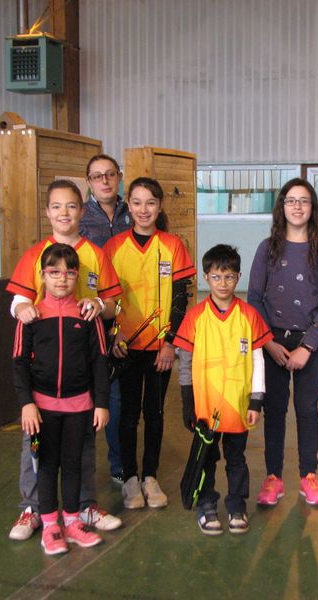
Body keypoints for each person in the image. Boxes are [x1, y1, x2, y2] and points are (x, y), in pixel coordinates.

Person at [6, 180, 123, 541]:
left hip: (80, 373)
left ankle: (83, 505)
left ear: (81, 210)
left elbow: (113, 304)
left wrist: (99, 305)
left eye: (71, 206)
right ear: (47, 212)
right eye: (56, 206)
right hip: (44, 379)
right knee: (36, 447)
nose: (64, 213)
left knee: (81, 447)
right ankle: (33, 508)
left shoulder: (96, 254)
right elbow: (18, 302)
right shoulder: (34, 254)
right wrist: (22, 308)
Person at [12, 243, 111, 555]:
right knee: (46, 466)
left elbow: (100, 361)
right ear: (42, 276)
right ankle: (49, 526)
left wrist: (101, 403)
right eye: (54, 272)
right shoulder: (31, 317)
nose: (62, 279)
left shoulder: (88, 316)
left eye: (69, 273)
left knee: (72, 464)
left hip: (79, 407)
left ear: (77, 276)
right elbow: (19, 363)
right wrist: (27, 403)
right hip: (42, 410)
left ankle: (72, 521)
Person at [105, 177, 195, 509]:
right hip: (126, 348)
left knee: (154, 413)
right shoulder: (114, 247)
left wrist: (170, 343)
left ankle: (150, 477)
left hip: (160, 350)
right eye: (137, 202)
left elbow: (180, 298)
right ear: (128, 205)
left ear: (159, 206)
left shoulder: (173, 245)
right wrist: (115, 333)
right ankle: (130, 478)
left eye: (151, 203)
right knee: (127, 415)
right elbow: (107, 298)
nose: (144, 209)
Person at [247, 177, 318, 506]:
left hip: (308, 343)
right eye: (291, 200)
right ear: (282, 207)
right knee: (274, 410)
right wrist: (268, 343)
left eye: (304, 201)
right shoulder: (267, 248)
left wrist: (308, 346)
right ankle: (273, 477)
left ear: (312, 208)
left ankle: (308, 475)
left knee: (306, 409)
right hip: (272, 341)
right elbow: (254, 298)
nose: (297, 206)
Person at [174, 244, 272, 535]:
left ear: (238, 277)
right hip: (206, 406)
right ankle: (207, 504)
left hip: (238, 406)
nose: (223, 283)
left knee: (236, 459)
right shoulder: (195, 316)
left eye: (229, 276)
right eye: (216, 277)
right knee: (206, 458)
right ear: (206, 278)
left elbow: (257, 360)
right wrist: (187, 401)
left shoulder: (249, 315)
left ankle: (237, 506)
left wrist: (256, 401)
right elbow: (185, 362)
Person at [80, 154, 132, 486]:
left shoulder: (133, 213)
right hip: (90, 318)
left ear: (119, 177)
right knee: (85, 399)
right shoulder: (80, 218)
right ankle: (80, 469)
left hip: (125, 316)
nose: (104, 181)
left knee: (117, 399)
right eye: (97, 176)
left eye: (110, 174)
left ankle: (119, 464)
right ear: (89, 182)